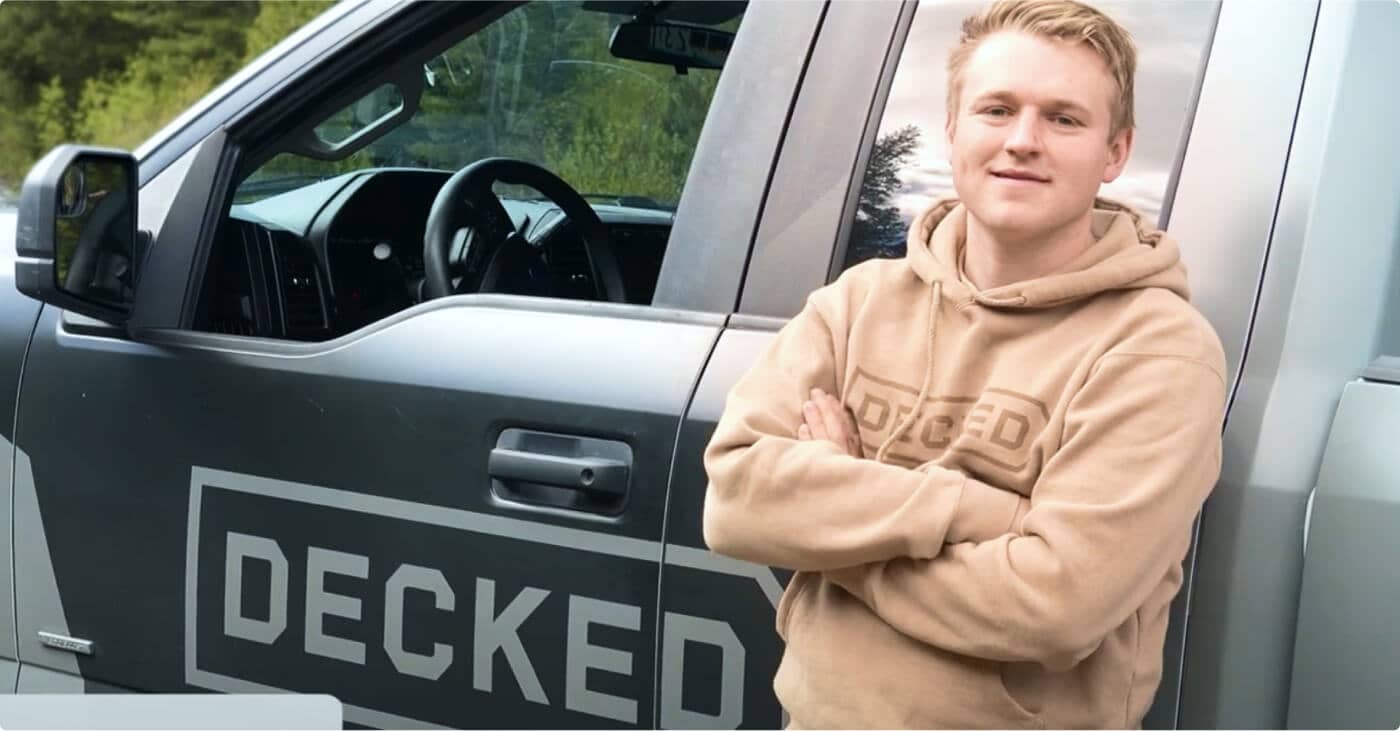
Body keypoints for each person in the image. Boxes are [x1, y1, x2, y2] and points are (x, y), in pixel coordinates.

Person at [701, 0, 1228, 728]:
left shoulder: (1157, 350)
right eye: (996, 109)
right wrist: (983, 512)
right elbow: (735, 500)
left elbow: (1053, 608)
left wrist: (837, 525)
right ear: (952, 130)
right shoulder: (857, 303)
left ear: (1115, 151)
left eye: (1064, 118)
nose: (1023, 140)